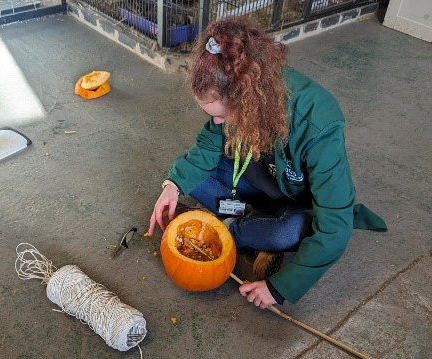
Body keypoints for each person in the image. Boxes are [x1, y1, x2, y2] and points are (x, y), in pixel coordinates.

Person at [147, 18, 386, 308]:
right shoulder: (238, 95)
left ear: (247, 99)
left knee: (288, 231)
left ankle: (232, 231)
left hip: (296, 204)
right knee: (189, 176)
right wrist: (173, 185)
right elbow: (209, 143)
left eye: (222, 115)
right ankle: (253, 232)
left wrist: (280, 288)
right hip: (256, 180)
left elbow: (336, 224)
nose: (217, 122)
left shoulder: (320, 120)